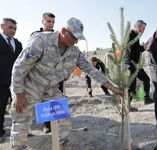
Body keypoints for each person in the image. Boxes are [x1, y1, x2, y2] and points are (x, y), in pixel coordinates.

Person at [10, 17, 123, 149]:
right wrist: (18, 94)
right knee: (22, 121)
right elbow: (19, 67)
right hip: (29, 86)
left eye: (78, 39)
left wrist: (114, 89)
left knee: (63, 117)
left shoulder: (74, 52)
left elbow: (92, 71)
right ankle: (17, 147)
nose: (75, 42)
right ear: (63, 31)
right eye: (74, 37)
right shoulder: (41, 40)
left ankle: (61, 145)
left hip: (51, 89)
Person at [31, 12, 56, 134]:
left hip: (56, 75)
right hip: (40, 75)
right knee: (44, 101)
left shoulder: (58, 36)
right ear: (43, 22)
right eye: (48, 21)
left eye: (52, 22)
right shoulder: (36, 35)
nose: (51, 24)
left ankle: (56, 125)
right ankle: (47, 125)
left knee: (56, 100)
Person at [0, 18, 22, 142]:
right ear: (2, 26)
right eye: (10, 28)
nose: (13, 31)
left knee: (19, 107)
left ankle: (20, 131)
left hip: (16, 82)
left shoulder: (18, 44)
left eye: (15, 29)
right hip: (1, 82)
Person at [124, 20, 153, 111]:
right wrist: (143, 47)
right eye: (143, 28)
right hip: (130, 64)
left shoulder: (136, 36)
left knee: (146, 79)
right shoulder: (130, 35)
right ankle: (127, 106)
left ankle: (146, 99)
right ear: (137, 26)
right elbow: (132, 51)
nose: (143, 30)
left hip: (136, 64)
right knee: (131, 86)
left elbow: (135, 50)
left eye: (144, 29)